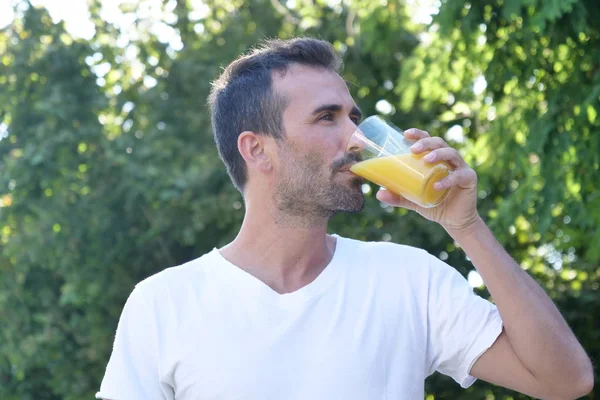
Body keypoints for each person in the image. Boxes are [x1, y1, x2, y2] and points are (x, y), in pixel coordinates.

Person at [96, 38, 593, 400]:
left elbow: (565, 380)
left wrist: (466, 227)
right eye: (326, 117)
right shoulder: (164, 304)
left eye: (354, 118)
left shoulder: (408, 280)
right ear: (257, 150)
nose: (356, 138)